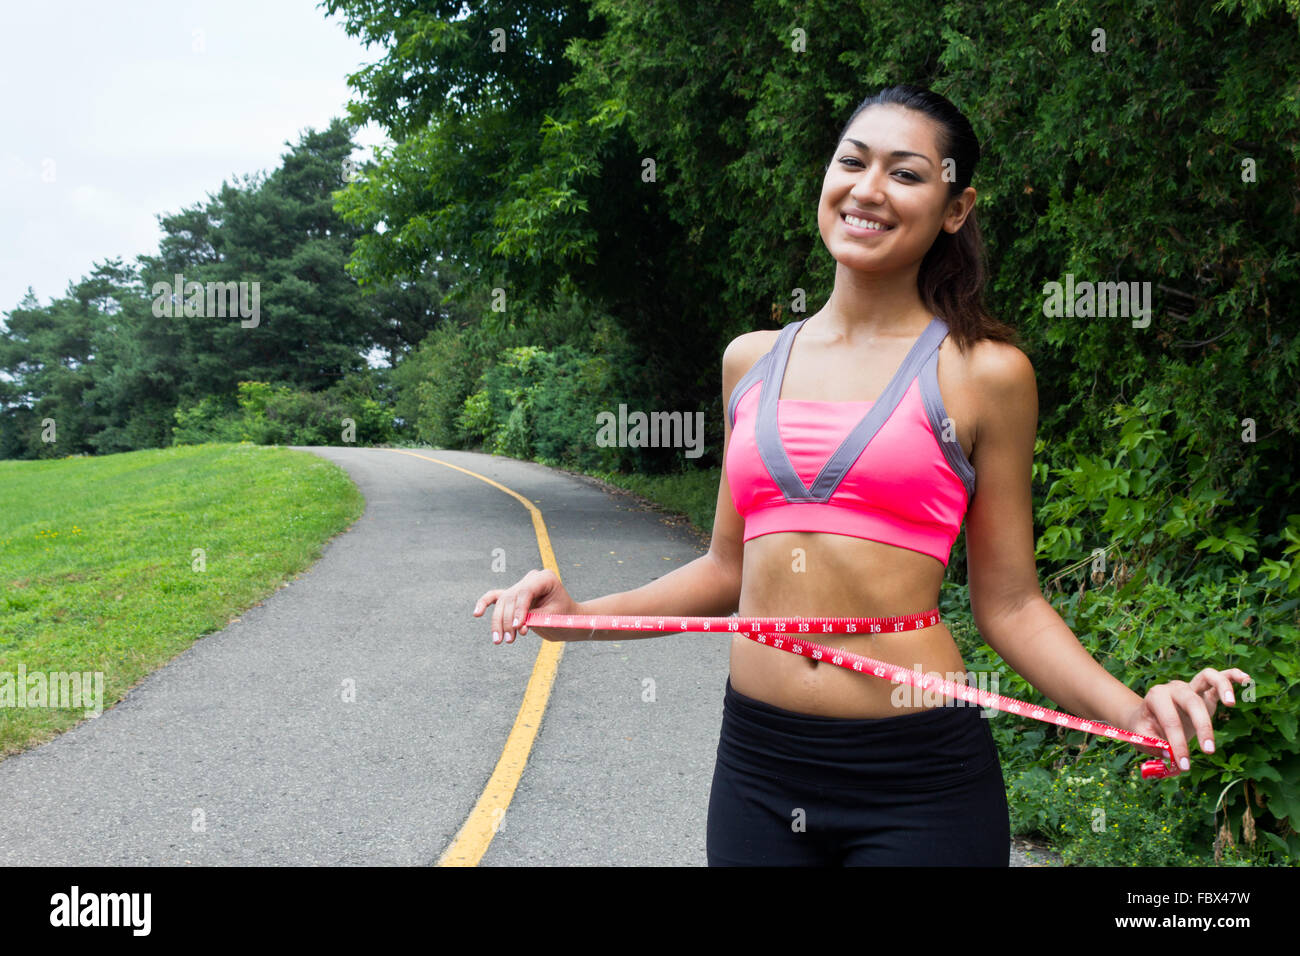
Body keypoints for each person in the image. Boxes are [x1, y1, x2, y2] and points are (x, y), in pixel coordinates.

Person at [472, 84, 1250, 866]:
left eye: (906, 174)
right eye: (852, 162)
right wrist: (585, 616)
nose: (868, 189)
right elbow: (728, 568)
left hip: (919, 780)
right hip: (757, 767)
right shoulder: (751, 361)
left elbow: (1010, 603)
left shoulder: (986, 374)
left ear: (955, 206)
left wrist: (1133, 709)